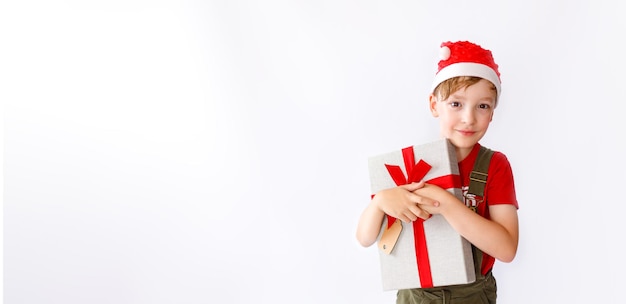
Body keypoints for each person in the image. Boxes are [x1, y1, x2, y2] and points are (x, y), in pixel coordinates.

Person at [356, 41, 519, 304]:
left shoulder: (494, 165)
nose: (469, 118)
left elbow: (507, 248)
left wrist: (445, 204)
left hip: (473, 296)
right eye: (456, 104)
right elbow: (365, 238)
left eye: (483, 106)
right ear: (434, 105)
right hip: (414, 296)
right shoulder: (407, 167)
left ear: (493, 112)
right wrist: (380, 204)